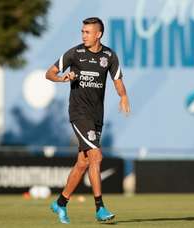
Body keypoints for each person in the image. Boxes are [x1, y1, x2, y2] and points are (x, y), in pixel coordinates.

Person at [45, 17, 130, 224]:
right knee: (96, 156)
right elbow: (50, 73)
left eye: (87, 32)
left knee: (83, 162)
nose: (84, 35)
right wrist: (62, 78)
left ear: (98, 34)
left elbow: (117, 80)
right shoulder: (75, 53)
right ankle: (100, 208)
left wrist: (123, 96)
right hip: (78, 113)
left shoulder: (109, 56)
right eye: (82, 31)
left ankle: (61, 203)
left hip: (96, 115)